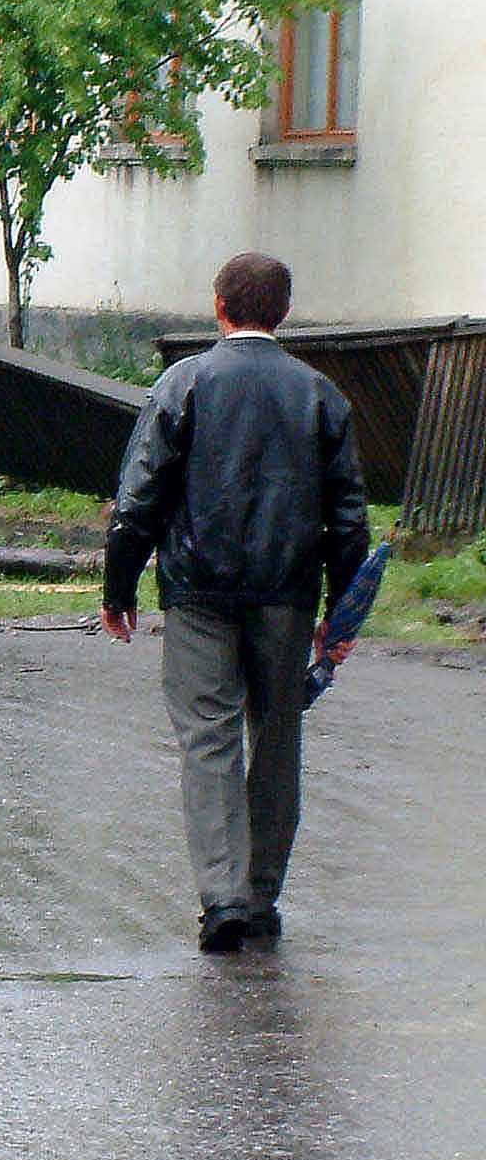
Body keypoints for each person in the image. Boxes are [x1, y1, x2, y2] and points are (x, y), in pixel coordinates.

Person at [102, 252, 372, 952]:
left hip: (197, 594)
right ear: (282, 312)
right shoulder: (320, 396)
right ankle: (260, 896)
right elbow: (348, 520)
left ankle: (221, 896)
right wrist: (339, 618)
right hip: (285, 594)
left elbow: (139, 500)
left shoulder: (182, 385)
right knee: (278, 735)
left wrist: (119, 588)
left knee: (207, 738)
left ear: (219, 306)